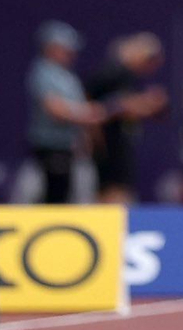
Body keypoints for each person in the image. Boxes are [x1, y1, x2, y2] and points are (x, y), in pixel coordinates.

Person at [26, 20, 104, 204]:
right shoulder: (43, 72)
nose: (71, 53)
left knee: (71, 196)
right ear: (51, 47)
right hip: (51, 148)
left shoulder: (68, 76)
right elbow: (54, 109)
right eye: (66, 48)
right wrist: (87, 114)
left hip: (71, 150)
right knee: (52, 197)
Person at [84, 32, 167, 204]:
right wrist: (145, 103)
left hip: (118, 148)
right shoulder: (114, 74)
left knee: (120, 192)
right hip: (109, 149)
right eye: (149, 60)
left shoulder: (127, 78)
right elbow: (99, 106)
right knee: (113, 194)